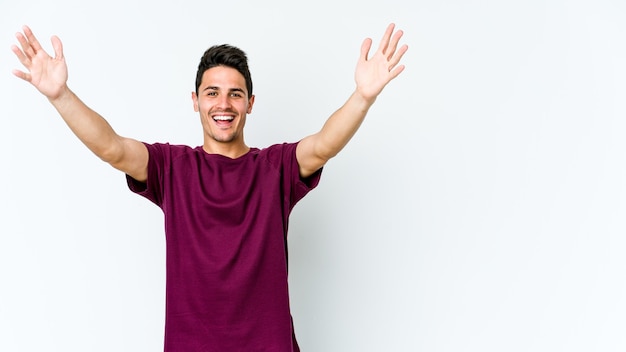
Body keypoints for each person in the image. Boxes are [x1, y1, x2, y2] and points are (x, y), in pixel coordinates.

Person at [11, 23, 407, 351]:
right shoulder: (172, 168)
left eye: (235, 94)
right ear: (195, 101)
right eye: (212, 93)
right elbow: (112, 148)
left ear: (250, 103)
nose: (224, 104)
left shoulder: (274, 168)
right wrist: (61, 95)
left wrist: (363, 97)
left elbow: (324, 144)